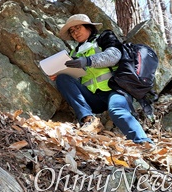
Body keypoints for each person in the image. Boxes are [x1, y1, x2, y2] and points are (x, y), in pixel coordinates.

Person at [53, 14, 152, 144]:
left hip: (115, 90)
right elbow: (74, 77)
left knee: (117, 111)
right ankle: (89, 120)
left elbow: (114, 56)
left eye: (78, 28)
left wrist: (87, 61)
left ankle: (144, 142)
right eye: (72, 31)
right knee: (62, 78)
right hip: (93, 97)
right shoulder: (74, 53)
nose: (75, 33)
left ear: (88, 27)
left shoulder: (105, 37)